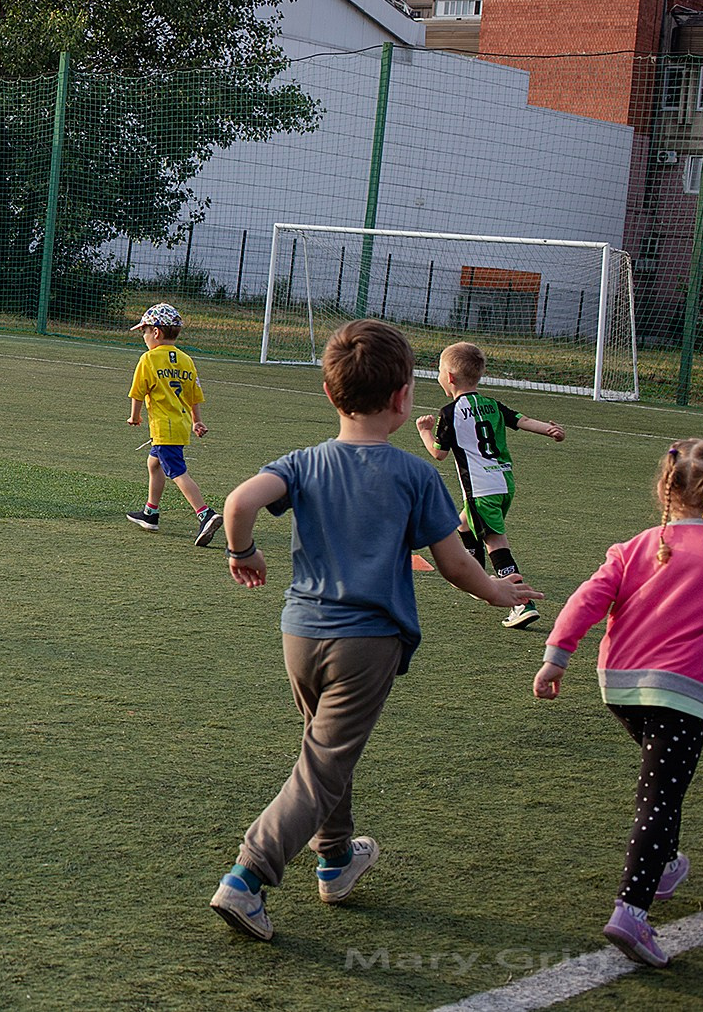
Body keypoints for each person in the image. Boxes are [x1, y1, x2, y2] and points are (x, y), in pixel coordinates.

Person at [208, 319, 540, 943]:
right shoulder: (414, 475)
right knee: (324, 761)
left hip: (300, 634)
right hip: (367, 643)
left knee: (326, 751)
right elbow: (455, 563)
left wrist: (242, 552)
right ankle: (247, 876)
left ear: (331, 395)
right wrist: (499, 589)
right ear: (402, 400)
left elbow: (238, 503)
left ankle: (335, 861)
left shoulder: (302, 463)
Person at [536, 439, 703, 967]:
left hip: (619, 688)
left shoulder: (636, 545)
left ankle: (666, 862)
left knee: (664, 781)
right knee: (660, 796)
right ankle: (631, 912)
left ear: (665, 492)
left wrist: (557, 656)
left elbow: (588, 596)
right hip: (680, 695)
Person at [414, 341, 566, 630]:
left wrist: (424, 431)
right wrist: (551, 430)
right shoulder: (493, 405)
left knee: (495, 542)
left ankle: (521, 603)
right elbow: (523, 420)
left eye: (438, 371)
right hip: (504, 483)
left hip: (480, 489)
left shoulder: (450, 412)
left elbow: (438, 453)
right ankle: (475, 575)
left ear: (449, 378)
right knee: (460, 524)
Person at [123, 302, 220, 545]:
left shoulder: (149, 359)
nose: (143, 336)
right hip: (181, 424)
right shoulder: (186, 360)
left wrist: (135, 416)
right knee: (154, 464)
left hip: (163, 428)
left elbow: (137, 392)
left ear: (156, 332)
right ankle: (150, 513)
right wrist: (197, 421)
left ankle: (205, 514)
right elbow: (193, 396)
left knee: (176, 471)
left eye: (144, 331)